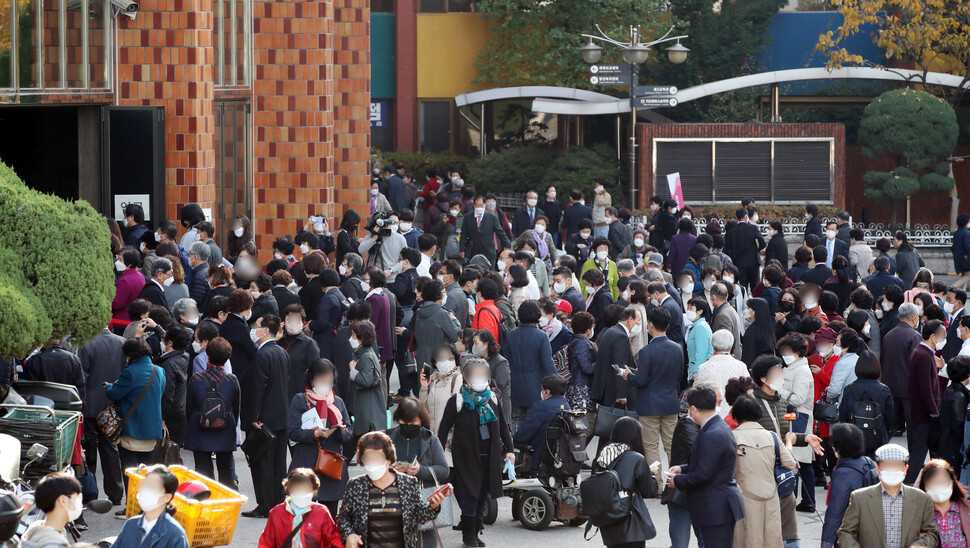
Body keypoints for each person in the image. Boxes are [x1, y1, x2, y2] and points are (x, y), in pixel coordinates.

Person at [437, 358, 514, 547]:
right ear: (466, 378)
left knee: (482, 495)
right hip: (465, 457)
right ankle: (468, 536)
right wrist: (438, 457)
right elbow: (442, 431)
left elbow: (503, 427)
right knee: (468, 495)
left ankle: (477, 530)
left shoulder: (493, 398)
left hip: (490, 457)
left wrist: (510, 450)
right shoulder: (457, 401)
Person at [337, 431, 449, 548]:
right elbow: (343, 517)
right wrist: (349, 534)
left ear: (388, 458)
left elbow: (418, 516)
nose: (372, 462)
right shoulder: (355, 485)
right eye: (367, 457)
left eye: (377, 457)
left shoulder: (408, 483)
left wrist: (433, 506)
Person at [668, 386, 745, 547]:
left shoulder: (713, 433)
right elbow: (708, 463)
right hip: (717, 505)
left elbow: (704, 473)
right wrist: (683, 468)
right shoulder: (715, 427)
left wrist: (678, 480)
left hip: (717, 507)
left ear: (693, 409)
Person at [837, 443, 939, 547]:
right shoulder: (860, 498)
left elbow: (932, 533)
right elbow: (846, 532)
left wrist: (920, 545)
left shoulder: (921, 499)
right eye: (887, 465)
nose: (892, 470)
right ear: (878, 469)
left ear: (905, 469)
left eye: (897, 466)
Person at [620, 307, 683, 475]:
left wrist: (628, 376)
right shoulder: (677, 348)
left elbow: (641, 380)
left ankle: (657, 484)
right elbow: (679, 376)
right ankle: (674, 481)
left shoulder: (646, 351)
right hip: (670, 403)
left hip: (649, 405)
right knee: (671, 446)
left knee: (651, 446)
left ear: (651, 325)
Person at [730, 394, 795, 548]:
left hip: (743, 499)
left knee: (746, 540)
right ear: (759, 414)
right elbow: (790, 463)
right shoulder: (771, 437)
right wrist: (789, 442)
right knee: (770, 540)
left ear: (735, 415)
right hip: (771, 498)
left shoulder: (731, 437)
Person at [286, 359, 351, 516]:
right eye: (321, 379)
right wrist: (315, 434)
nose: (325, 383)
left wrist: (341, 431)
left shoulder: (338, 402)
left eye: (328, 380)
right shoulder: (300, 400)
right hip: (306, 462)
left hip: (331, 464)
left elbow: (349, 430)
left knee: (329, 514)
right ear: (312, 379)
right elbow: (292, 432)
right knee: (302, 513)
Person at [241, 315, 290, 518]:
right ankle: (277, 502)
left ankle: (265, 505)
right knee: (278, 464)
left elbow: (258, 388)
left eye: (257, 327)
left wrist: (255, 416)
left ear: (266, 330)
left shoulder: (263, 354)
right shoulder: (281, 352)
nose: (254, 329)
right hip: (281, 417)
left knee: (262, 463)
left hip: (265, 419)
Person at [385, 398, 449, 548]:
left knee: (424, 542)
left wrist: (421, 470)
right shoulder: (386, 438)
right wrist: (389, 469)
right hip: (391, 502)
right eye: (404, 422)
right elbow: (373, 465)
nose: (408, 426)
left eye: (412, 423)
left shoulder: (430, 439)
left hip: (421, 501)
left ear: (421, 420)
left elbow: (444, 469)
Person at [591, 416, 659, 548]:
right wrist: (651, 474)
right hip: (630, 521)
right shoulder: (636, 458)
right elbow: (649, 491)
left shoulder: (602, 456)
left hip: (608, 520)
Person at [106, 338, 165, 487]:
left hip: (132, 428)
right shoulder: (159, 371)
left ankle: (132, 506)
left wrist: (108, 386)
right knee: (147, 471)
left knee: (130, 470)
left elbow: (114, 393)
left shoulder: (130, 372)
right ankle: (146, 505)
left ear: (130, 355)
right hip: (152, 429)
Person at [78, 326, 126, 505]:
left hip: (90, 404)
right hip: (112, 403)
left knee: (89, 449)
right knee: (110, 449)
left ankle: (90, 493)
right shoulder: (121, 342)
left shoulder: (86, 343)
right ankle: (116, 493)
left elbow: (82, 375)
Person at [185, 336, 239, 489]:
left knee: (202, 472)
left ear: (207, 355)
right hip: (225, 427)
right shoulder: (232, 380)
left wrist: (195, 421)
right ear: (227, 358)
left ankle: (206, 505)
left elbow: (189, 408)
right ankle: (226, 505)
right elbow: (236, 408)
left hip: (199, 428)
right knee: (226, 471)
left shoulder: (196, 379)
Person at [776, 333, 817, 512]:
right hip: (793, 417)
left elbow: (798, 399)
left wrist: (779, 389)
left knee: (798, 461)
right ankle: (805, 500)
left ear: (797, 352)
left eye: (787, 351)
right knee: (801, 461)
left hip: (799, 417)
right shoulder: (791, 367)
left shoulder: (802, 371)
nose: (784, 354)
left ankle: (797, 500)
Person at [905, 319, 946, 485]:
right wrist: (934, 412)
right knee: (919, 454)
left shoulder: (925, 353)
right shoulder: (923, 354)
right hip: (924, 415)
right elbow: (925, 389)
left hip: (922, 413)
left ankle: (935, 482)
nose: (943, 338)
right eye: (941, 335)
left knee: (929, 452)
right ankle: (907, 484)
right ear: (932, 336)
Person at [258, 468, 343, 548]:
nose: (301, 494)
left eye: (306, 490)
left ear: (314, 491)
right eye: (296, 490)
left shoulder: (321, 512)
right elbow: (267, 542)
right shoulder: (277, 513)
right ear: (288, 490)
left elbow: (333, 539)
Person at [506, 301, 556, 429]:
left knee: (516, 420)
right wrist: (556, 383)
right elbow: (548, 363)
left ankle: (515, 446)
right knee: (534, 421)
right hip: (535, 386)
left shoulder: (511, 335)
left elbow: (507, 360)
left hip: (515, 384)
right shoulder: (541, 336)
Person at [112, 465, 190, 548]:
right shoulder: (131, 524)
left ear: (166, 497)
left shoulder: (175, 534)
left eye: (152, 486)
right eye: (145, 484)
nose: (146, 490)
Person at [838, 350, 895, 457]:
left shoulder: (849, 390)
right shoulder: (884, 390)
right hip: (878, 439)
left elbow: (843, 416)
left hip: (853, 440)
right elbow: (890, 418)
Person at [513, 374, 570, 470]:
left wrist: (513, 438)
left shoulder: (542, 406)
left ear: (547, 391)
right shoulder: (566, 406)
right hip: (559, 453)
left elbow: (525, 433)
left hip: (540, 453)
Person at [882, 302, 922, 435]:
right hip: (907, 388)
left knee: (891, 428)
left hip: (889, 385)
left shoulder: (889, 335)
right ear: (915, 318)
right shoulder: (914, 336)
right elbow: (917, 364)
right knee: (913, 428)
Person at [19, 472, 83, 548]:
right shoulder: (53, 544)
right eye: (77, 497)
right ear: (63, 500)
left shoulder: (33, 532)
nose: (79, 501)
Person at [918, 459, 970, 547]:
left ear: (952, 482)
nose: (939, 486)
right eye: (933, 482)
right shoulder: (919, 514)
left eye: (942, 482)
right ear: (924, 486)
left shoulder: (966, 508)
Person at [348, 321, 386, 439]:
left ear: (361, 338)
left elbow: (367, 380)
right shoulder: (368, 353)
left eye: (354, 335)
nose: (351, 338)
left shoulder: (365, 357)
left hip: (368, 412)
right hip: (368, 409)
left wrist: (352, 371)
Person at [158, 326, 191, 447]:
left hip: (170, 414)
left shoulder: (169, 363)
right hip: (180, 410)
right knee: (174, 452)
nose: (162, 340)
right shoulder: (183, 356)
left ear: (170, 342)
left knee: (166, 453)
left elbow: (167, 393)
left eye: (164, 338)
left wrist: (162, 418)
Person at [219, 289, 257, 386]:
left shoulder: (226, 323)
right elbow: (252, 350)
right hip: (240, 373)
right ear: (244, 307)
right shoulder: (240, 326)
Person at [461, 196, 511, 269]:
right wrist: (461, 249)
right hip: (473, 250)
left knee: (489, 273)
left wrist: (508, 244)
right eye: (477, 205)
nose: (479, 207)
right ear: (474, 205)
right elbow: (463, 234)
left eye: (481, 205)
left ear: (484, 205)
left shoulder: (492, 217)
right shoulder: (467, 217)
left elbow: (500, 232)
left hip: (488, 251)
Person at [939, 355, 970, 472]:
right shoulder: (959, 396)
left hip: (946, 443)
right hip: (954, 447)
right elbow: (959, 426)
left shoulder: (951, 389)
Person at [723, 208, 766, 290]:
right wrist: (757, 250)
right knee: (755, 287)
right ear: (746, 216)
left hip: (739, 263)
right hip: (753, 261)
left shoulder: (731, 232)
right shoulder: (753, 228)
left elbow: (727, 249)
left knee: (742, 287)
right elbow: (763, 243)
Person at [825, 328, 864, 404]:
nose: (834, 345)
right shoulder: (859, 360)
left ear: (846, 347)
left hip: (844, 403)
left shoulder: (842, 364)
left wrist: (827, 392)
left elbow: (834, 390)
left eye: (837, 342)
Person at [113, 246, 146, 325]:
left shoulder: (125, 280)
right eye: (118, 259)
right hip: (134, 319)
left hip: (122, 320)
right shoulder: (140, 275)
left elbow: (117, 304)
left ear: (129, 264)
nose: (117, 262)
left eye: (120, 260)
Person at [710, 282, 743, 360]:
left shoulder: (723, 315)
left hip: (726, 359)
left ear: (713, 297)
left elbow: (724, 342)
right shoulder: (730, 309)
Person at [741, 297, 776, 368]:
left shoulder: (752, 331)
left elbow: (748, 356)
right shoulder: (768, 327)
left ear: (755, 311)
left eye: (748, 308)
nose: (746, 310)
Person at [944, 288, 967, 361]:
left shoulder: (963, 319)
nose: (946, 302)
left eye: (949, 300)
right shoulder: (955, 317)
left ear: (959, 303)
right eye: (946, 299)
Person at [952, 213, 970, 291]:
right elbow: (967, 246)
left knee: (964, 276)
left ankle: (962, 294)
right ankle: (954, 286)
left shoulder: (957, 232)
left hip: (959, 258)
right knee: (968, 275)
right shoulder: (966, 233)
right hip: (966, 259)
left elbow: (953, 247)